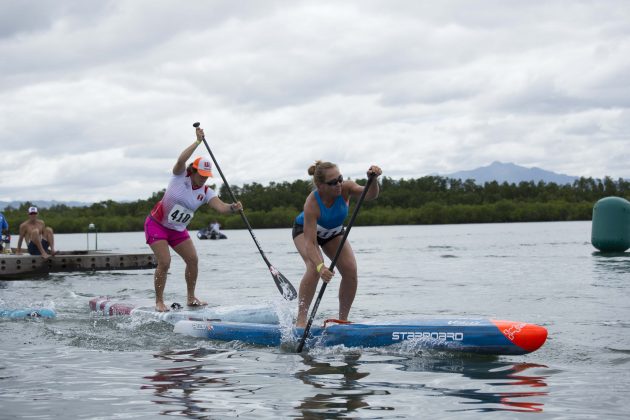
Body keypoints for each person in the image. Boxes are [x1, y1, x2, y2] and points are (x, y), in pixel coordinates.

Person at [145, 126, 243, 312]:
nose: (204, 179)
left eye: (207, 177)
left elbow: (221, 207)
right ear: (193, 170)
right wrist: (197, 142)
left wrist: (233, 208)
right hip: (156, 225)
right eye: (202, 175)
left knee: (193, 260)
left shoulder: (206, 192)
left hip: (177, 230)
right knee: (165, 262)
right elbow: (181, 159)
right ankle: (159, 301)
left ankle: (191, 298)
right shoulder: (180, 176)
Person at [293, 161, 382, 327]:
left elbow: (369, 194)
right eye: (333, 182)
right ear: (320, 185)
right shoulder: (312, 203)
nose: (339, 184)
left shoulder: (346, 188)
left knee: (350, 270)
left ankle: (342, 320)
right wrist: (321, 267)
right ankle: (301, 321)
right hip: (305, 233)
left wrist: (373, 180)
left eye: (340, 178)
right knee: (313, 268)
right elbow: (310, 244)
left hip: (333, 232)